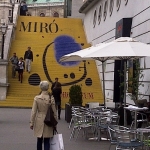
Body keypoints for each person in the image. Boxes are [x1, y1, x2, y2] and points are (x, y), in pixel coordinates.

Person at [30, 81, 57, 150]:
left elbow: (33, 111)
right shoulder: (51, 98)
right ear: (48, 88)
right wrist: (55, 124)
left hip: (39, 118)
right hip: (49, 119)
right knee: (47, 140)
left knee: (39, 139)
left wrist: (31, 123)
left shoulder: (37, 98)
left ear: (40, 87)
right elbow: (54, 112)